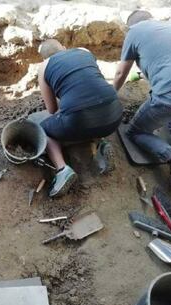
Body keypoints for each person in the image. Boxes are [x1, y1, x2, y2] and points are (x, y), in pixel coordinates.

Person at [113, 10, 171, 190]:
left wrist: (111, 94)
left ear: (129, 27)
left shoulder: (134, 31)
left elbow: (119, 73)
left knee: (135, 131)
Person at [37, 39, 123, 197]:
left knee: (43, 130)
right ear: (64, 47)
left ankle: (62, 170)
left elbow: (52, 109)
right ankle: (101, 144)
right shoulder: (84, 51)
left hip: (80, 119)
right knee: (93, 109)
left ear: (44, 58)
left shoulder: (44, 67)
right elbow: (90, 81)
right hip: (115, 113)